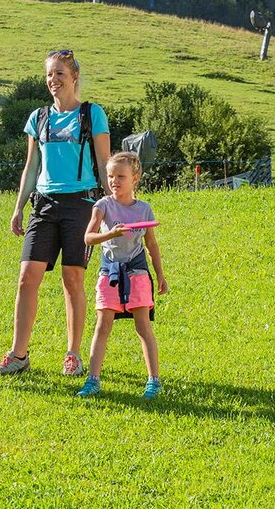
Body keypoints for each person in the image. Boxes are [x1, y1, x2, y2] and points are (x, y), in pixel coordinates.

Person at [0, 49, 110, 377]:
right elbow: (31, 167)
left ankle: (72, 354)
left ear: (74, 77)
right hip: (43, 205)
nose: (53, 80)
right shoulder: (38, 118)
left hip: (81, 205)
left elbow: (104, 163)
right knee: (27, 276)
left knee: (72, 279)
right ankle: (18, 355)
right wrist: (18, 206)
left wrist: (115, 206)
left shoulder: (92, 114)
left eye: (60, 74)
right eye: (49, 75)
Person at [77, 151, 168, 399]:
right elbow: (88, 237)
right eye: (110, 176)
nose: (114, 181)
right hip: (110, 272)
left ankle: (154, 381)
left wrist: (160, 275)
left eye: (121, 176)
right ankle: (93, 380)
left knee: (143, 326)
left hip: (137, 272)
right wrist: (111, 234)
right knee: (102, 325)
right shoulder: (103, 206)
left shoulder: (144, 209)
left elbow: (151, 245)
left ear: (135, 178)